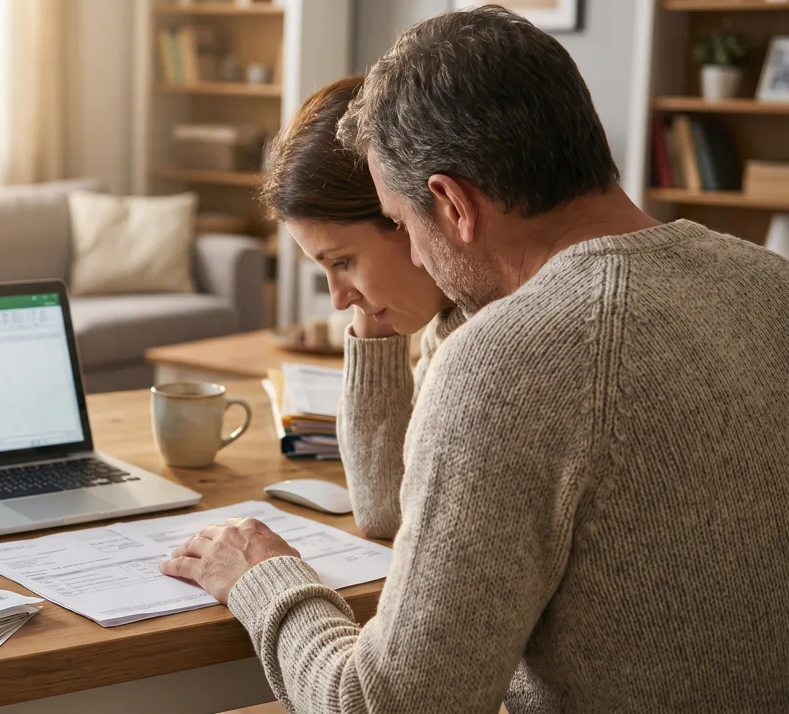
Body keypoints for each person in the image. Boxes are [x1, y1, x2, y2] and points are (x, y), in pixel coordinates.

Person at [161, 6, 789, 713]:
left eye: (400, 225)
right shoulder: (769, 282)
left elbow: (387, 706)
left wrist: (262, 576)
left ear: (452, 205)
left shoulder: (506, 363)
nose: (415, 253)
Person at [256, 74, 461, 540]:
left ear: (404, 214)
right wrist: (373, 309)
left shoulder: (486, 345)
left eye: (343, 261)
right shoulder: (452, 320)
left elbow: (387, 514)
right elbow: (387, 510)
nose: (338, 298)